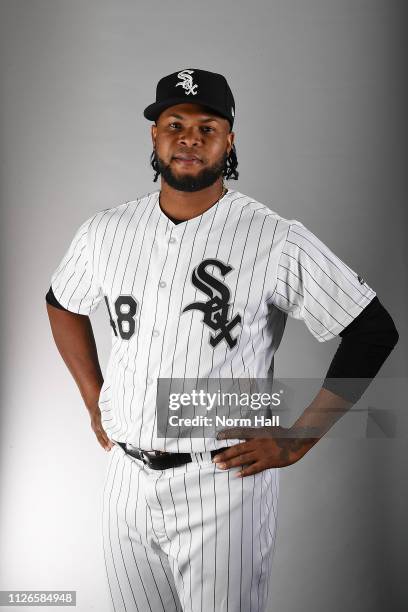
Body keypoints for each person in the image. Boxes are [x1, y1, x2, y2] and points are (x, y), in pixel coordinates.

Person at [45, 68, 399, 612]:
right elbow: (62, 301)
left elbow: (371, 329)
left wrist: (298, 439)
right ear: (155, 135)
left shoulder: (274, 236)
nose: (189, 137)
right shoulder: (106, 231)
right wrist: (94, 400)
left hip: (222, 482)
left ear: (229, 139)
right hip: (126, 483)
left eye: (207, 126)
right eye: (174, 123)